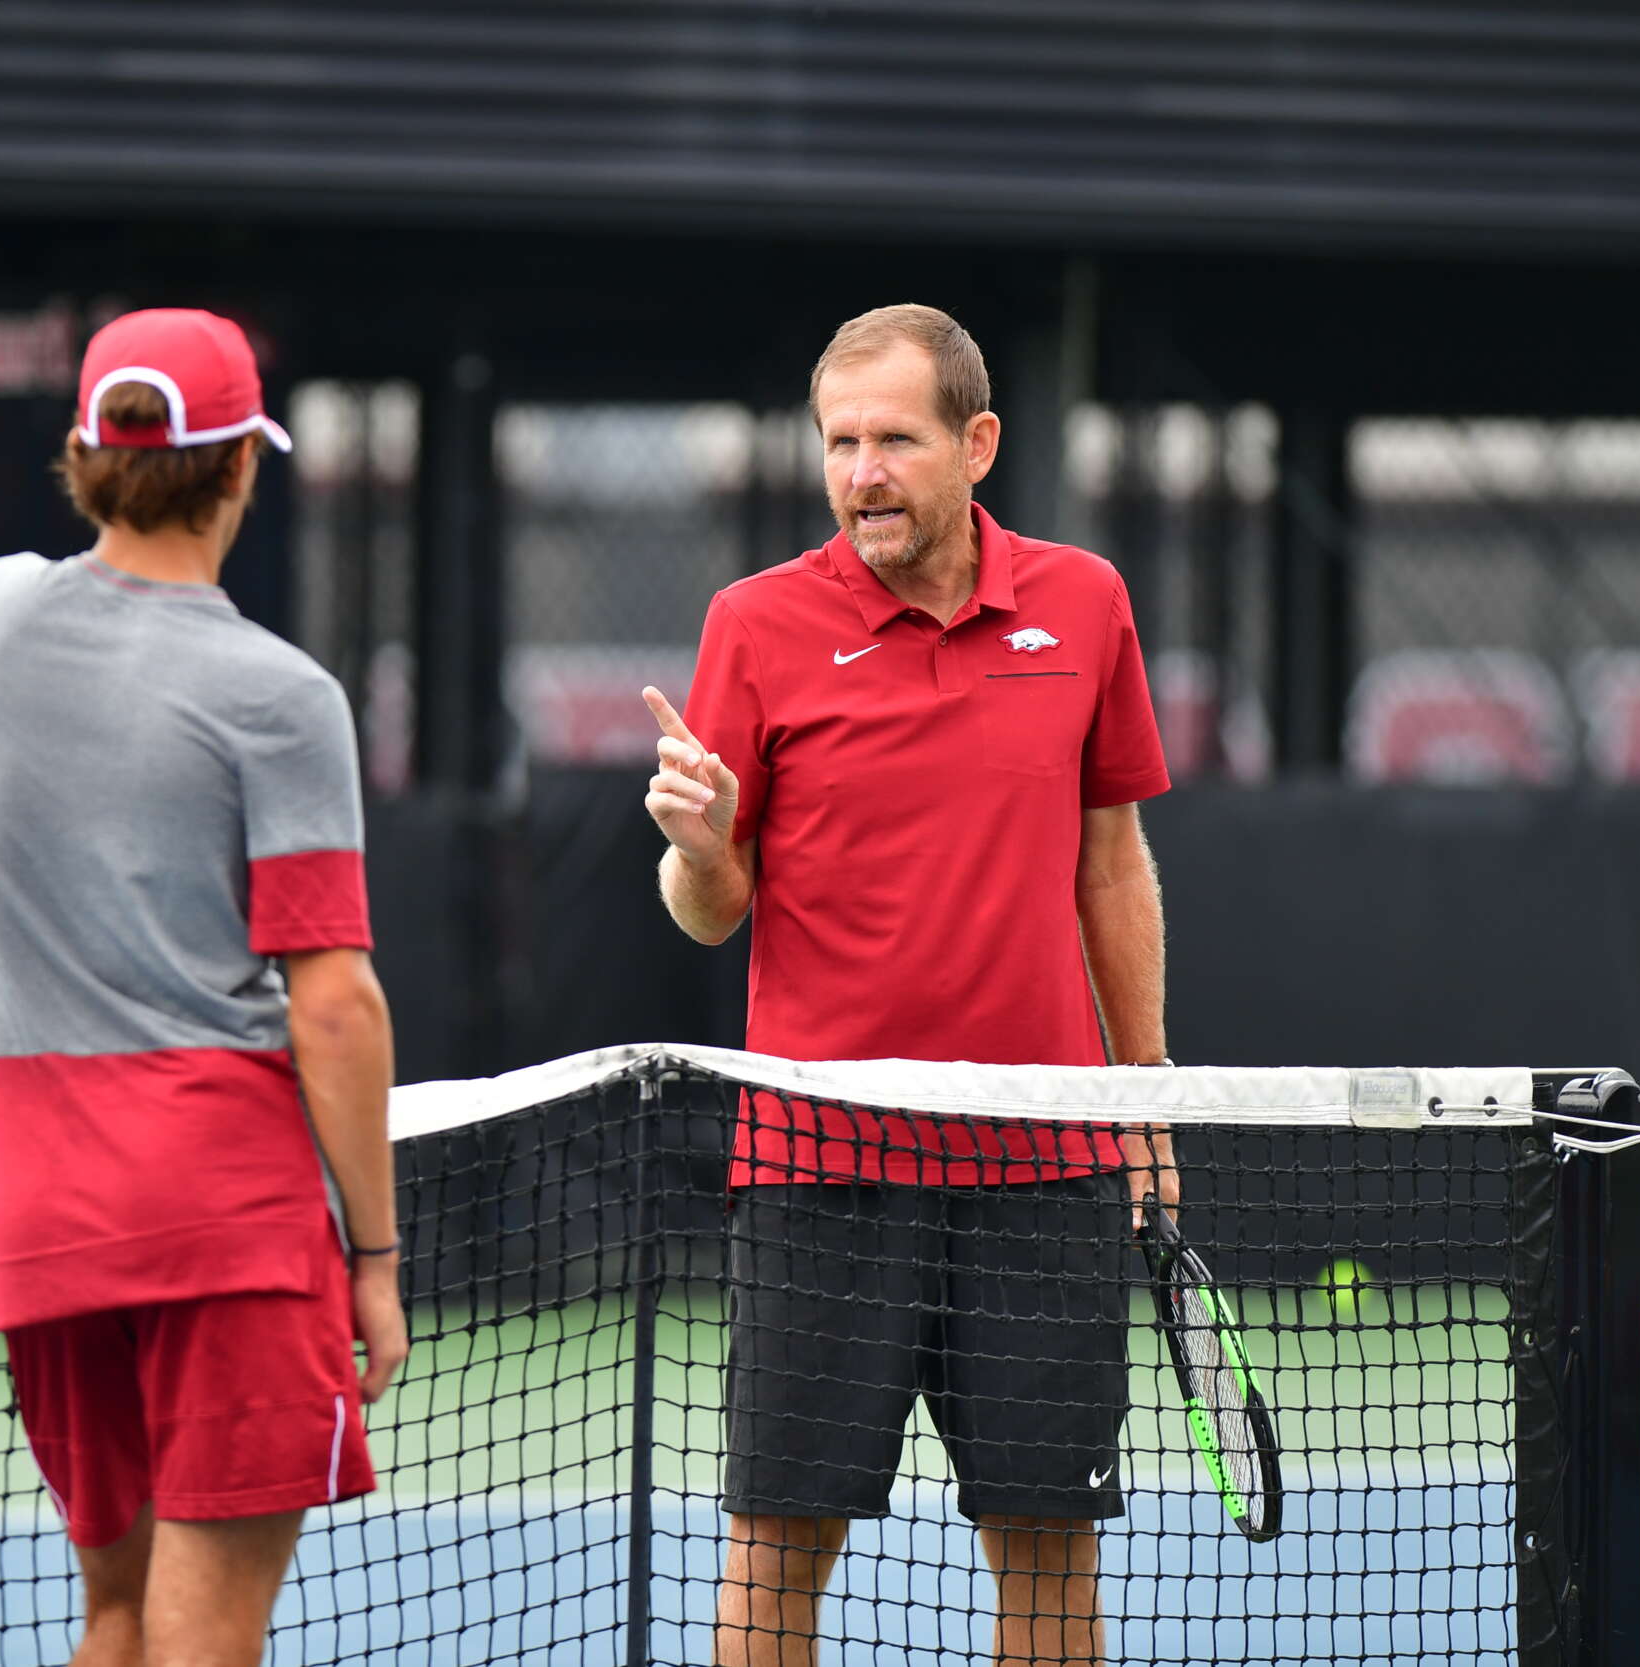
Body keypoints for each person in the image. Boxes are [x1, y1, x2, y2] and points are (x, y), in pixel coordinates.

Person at [0, 307, 407, 1667]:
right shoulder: (279, 695)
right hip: (232, 1223)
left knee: (115, 1615)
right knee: (206, 1637)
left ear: (87, 456)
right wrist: (376, 1259)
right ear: (239, 471)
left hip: (49, 1228)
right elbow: (332, 1002)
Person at [642, 304, 1174, 1667]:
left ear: (978, 443)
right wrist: (703, 849)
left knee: (1048, 1558)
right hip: (820, 1167)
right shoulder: (752, 625)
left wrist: (1151, 1096)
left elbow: (1110, 864)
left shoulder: (1084, 603)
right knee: (775, 1560)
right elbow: (712, 911)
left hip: (1044, 1168)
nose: (863, 473)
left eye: (895, 440)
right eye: (840, 444)